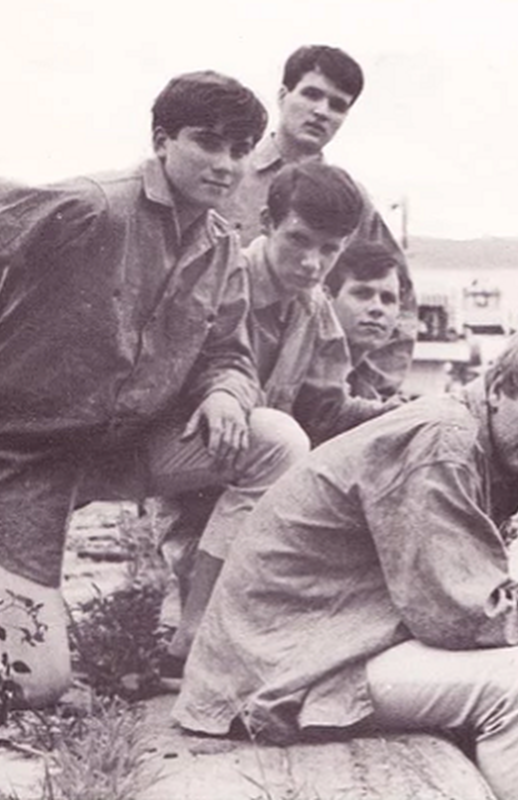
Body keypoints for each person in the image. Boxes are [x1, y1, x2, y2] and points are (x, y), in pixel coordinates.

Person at [0, 71, 310, 704]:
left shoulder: (222, 246)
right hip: (17, 464)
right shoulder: (94, 204)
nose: (226, 164)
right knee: (32, 682)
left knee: (275, 442)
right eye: (208, 142)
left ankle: (196, 636)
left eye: (241, 148)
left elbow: (228, 351)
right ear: (162, 140)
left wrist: (226, 391)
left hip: (116, 452)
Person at [173, 327, 518, 800]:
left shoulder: (480, 442)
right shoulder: (444, 443)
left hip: (317, 634)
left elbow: (471, 582)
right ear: (498, 388)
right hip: (272, 666)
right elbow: (456, 612)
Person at [163, 162, 402, 669]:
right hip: (175, 452)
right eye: (299, 240)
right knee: (278, 439)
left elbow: (325, 411)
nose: (313, 263)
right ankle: (192, 631)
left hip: (246, 475)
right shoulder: (218, 278)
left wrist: (396, 416)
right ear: (267, 223)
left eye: (330, 249)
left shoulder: (313, 311)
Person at [219, 44, 417, 399]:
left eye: (338, 105)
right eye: (311, 94)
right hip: (222, 375)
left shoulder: (350, 200)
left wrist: (372, 388)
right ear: (283, 96)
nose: (322, 112)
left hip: (310, 387)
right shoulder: (229, 176)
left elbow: (399, 292)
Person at [325, 241, 403, 400]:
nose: (377, 308)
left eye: (388, 299)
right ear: (327, 299)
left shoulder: (367, 389)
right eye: (362, 294)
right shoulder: (299, 372)